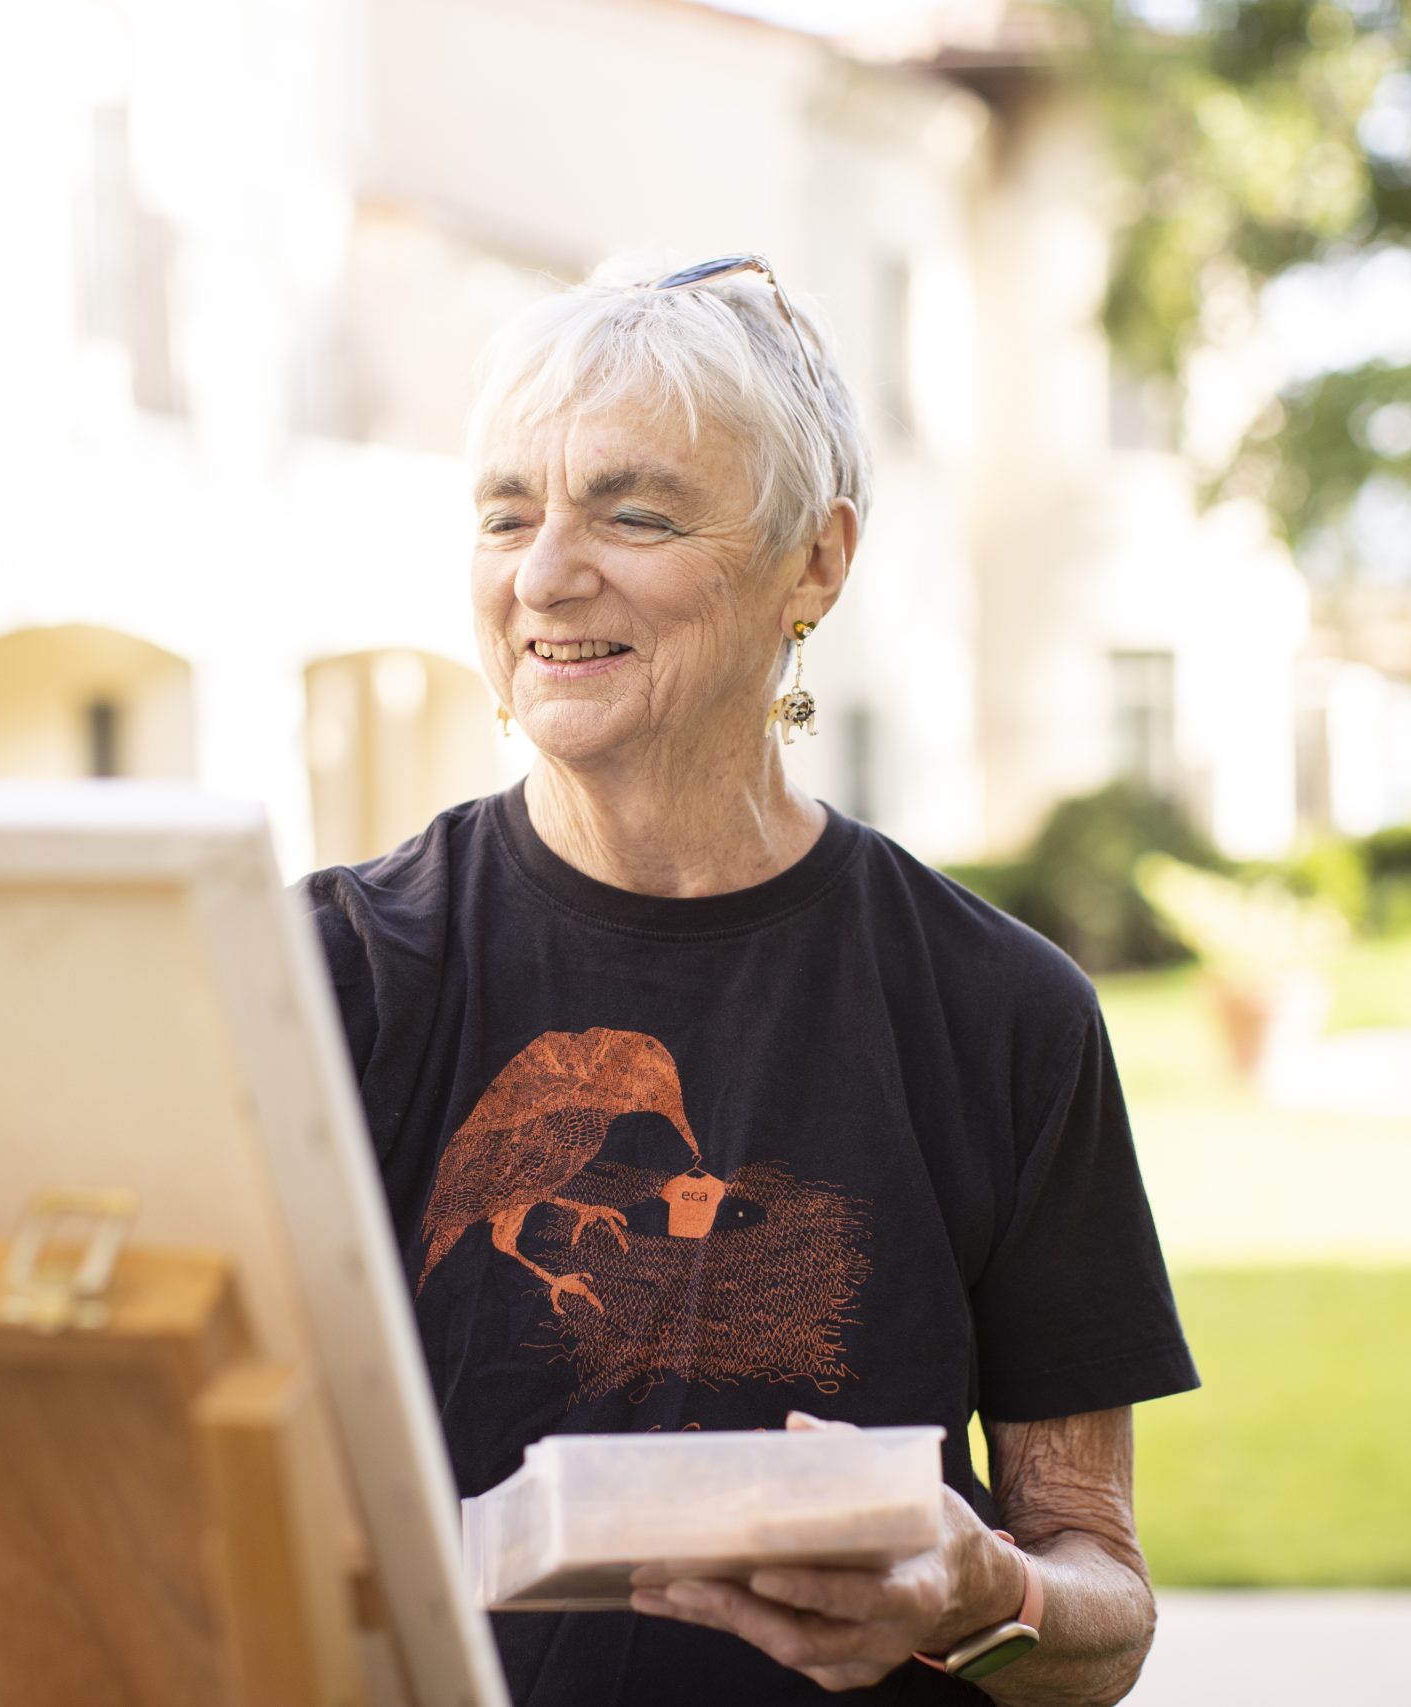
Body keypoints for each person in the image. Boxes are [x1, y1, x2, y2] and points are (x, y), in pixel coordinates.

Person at [302, 254, 1199, 1706]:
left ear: (816, 562)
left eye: (633, 512)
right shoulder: (330, 977)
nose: (543, 574)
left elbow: (1103, 1607)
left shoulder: (1005, 1016)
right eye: (505, 514)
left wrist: (985, 1595)